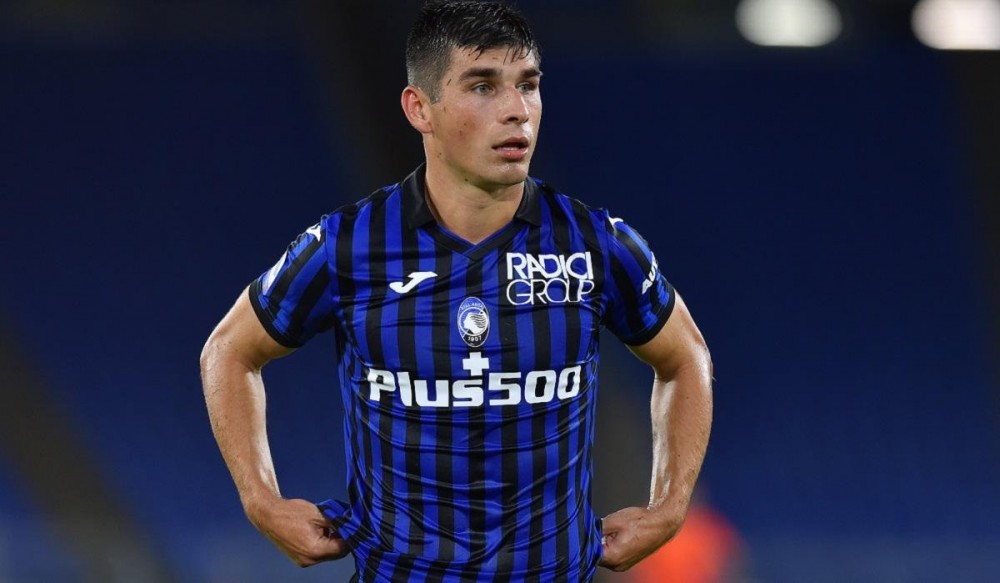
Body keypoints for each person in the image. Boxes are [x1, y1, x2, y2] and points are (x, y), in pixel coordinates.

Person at [200, 1, 713, 581]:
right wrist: (261, 500)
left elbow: (685, 357)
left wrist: (670, 506)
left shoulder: (595, 244)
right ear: (419, 108)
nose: (517, 110)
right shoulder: (350, 245)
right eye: (483, 86)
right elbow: (229, 350)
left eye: (528, 85)